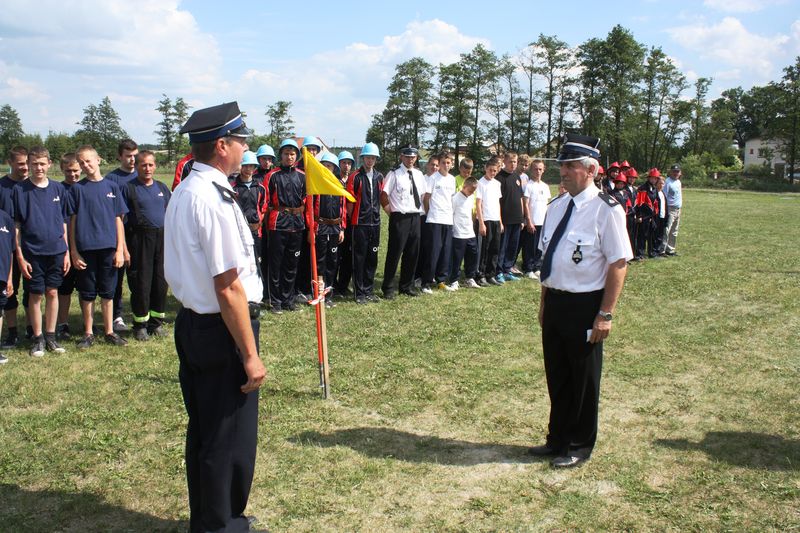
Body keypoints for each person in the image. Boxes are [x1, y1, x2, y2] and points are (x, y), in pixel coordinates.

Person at [164, 101, 267, 533]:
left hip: (196, 324)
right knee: (229, 439)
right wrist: (250, 354)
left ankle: (212, 518)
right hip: (221, 329)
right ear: (222, 145)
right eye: (241, 140)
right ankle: (222, 524)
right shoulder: (209, 197)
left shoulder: (189, 190)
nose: (246, 147)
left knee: (207, 433)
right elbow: (228, 287)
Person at [529, 133, 632, 468]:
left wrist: (606, 314)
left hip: (586, 306)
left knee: (583, 380)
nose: (565, 171)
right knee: (557, 375)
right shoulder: (556, 207)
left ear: (592, 170)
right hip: (556, 302)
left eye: (571, 166)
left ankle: (579, 444)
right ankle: (556, 438)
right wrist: (545, 302)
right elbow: (550, 259)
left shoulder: (607, 210)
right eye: (563, 165)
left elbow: (618, 263)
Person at [67, 145, 129, 348]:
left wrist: (120, 249)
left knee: (108, 292)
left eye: (88, 161)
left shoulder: (112, 187)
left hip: (108, 248)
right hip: (85, 249)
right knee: (87, 292)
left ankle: (109, 331)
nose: (86, 165)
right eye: (82, 162)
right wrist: (74, 251)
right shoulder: (77, 189)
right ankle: (88, 332)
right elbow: (72, 222)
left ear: (98, 160)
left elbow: (118, 220)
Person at [14, 146, 69, 357]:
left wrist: (65, 252)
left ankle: (51, 336)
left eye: (42, 163)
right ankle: (37, 339)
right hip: (32, 252)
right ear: (29, 164)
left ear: (49, 164)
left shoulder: (58, 189)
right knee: (36, 295)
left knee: (53, 292)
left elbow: (63, 222)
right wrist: (20, 255)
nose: (38, 167)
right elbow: (17, 226)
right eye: (34, 164)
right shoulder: (20, 191)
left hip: (56, 250)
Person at [121, 151, 171, 341]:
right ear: (136, 166)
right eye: (143, 165)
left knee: (160, 282)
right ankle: (140, 325)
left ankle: (156, 323)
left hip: (161, 238)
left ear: (155, 166)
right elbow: (120, 219)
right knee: (141, 283)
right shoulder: (129, 188)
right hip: (140, 239)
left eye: (150, 165)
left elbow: (170, 212)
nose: (147, 168)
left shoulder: (161, 187)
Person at [380, 145, 427, 299]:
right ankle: (388, 288)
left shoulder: (419, 175)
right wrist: (391, 213)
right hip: (400, 217)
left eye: (413, 157)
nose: (410, 159)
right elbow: (384, 195)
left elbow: (423, 196)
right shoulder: (394, 174)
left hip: (415, 217)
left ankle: (406, 286)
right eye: (407, 157)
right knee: (395, 253)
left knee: (412, 254)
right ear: (401, 157)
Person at [265, 139, 306, 314]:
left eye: (292, 154)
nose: (289, 157)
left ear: (296, 156)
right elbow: (265, 200)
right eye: (286, 154)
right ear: (280, 155)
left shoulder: (302, 176)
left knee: (292, 263)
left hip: (297, 224)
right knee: (276, 264)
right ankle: (275, 301)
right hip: (278, 224)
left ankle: (288, 299)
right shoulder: (272, 175)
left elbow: (306, 199)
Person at [105, 139, 139, 334]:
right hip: (116, 235)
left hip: (137, 236)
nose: (132, 160)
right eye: (128, 156)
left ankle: (138, 312)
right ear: (119, 156)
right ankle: (116, 315)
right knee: (116, 278)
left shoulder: (141, 175)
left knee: (136, 277)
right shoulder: (111, 180)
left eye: (135, 155)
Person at [0, 146, 29, 349]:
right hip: (7, 246)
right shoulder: (2, 187)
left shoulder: (33, 186)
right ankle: (11, 332)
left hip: (31, 245)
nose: (25, 167)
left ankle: (31, 327)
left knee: (33, 290)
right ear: (10, 163)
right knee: (9, 290)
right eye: (20, 163)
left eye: (27, 162)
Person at [346, 143, 383, 304]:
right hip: (359, 223)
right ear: (363, 158)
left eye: (373, 158)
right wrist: (352, 218)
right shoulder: (355, 177)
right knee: (359, 258)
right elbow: (349, 202)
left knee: (372, 257)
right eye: (367, 157)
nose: (370, 161)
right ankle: (359, 292)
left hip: (375, 223)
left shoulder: (379, 177)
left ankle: (368, 290)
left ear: (376, 159)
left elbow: (381, 197)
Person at [309, 152, 346, 308]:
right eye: (323, 166)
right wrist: (312, 228)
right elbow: (309, 209)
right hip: (321, 227)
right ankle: (317, 293)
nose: (326, 168)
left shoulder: (339, 184)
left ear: (334, 168)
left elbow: (343, 208)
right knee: (319, 261)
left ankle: (329, 294)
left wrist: (342, 228)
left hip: (335, 227)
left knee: (332, 261)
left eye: (329, 166)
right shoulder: (315, 184)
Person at [421, 151, 456, 293]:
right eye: (443, 163)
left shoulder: (452, 179)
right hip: (434, 219)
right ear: (439, 163)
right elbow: (426, 198)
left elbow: (451, 199)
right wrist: (430, 213)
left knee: (445, 252)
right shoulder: (433, 178)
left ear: (452, 164)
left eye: (449, 163)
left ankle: (441, 280)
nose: (446, 165)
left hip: (448, 220)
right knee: (433, 252)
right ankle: (426, 283)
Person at [56, 153, 81, 340]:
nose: (72, 174)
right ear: (62, 170)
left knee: (84, 287)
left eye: (75, 170)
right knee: (64, 288)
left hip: (84, 245)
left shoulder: (84, 188)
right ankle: (62, 324)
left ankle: (85, 322)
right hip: (63, 246)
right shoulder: (58, 190)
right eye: (68, 171)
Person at [447, 176, 481, 291]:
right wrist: (452, 230)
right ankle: (454, 280)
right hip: (458, 234)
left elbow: (471, 213)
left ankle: (469, 278)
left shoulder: (471, 198)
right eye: (471, 190)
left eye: (474, 191)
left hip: (470, 233)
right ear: (464, 186)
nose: (472, 193)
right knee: (457, 258)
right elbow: (451, 214)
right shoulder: (455, 198)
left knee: (472, 255)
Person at [475, 157, 504, 287]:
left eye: (495, 171)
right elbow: (478, 204)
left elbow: (498, 203)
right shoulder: (480, 183)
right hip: (485, 220)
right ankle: (480, 275)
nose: (493, 173)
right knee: (484, 249)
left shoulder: (497, 183)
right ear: (486, 168)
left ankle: (490, 274)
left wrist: (501, 221)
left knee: (495, 248)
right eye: (491, 170)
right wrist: (481, 223)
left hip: (495, 220)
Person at [496, 152, 524, 281]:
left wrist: (522, 218)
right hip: (505, 218)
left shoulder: (517, 177)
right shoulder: (499, 177)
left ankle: (508, 269)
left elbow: (520, 198)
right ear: (505, 162)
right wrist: (500, 220)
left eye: (515, 162)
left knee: (513, 246)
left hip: (517, 218)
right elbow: (497, 201)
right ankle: (499, 271)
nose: (513, 164)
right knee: (503, 246)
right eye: (511, 161)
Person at [521, 159, 551, 279]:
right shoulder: (528, 186)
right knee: (530, 246)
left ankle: (537, 267)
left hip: (542, 221)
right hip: (532, 221)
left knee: (539, 246)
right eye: (535, 169)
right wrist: (529, 220)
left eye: (540, 169)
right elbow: (526, 204)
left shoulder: (545, 186)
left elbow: (547, 204)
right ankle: (528, 268)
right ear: (531, 170)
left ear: (543, 170)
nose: (538, 171)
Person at [333, 151, 356, 298]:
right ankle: (333, 285)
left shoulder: (354, 179)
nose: (346, 166)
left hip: (352, 222)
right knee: (336, 255)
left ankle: (343, 285)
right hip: (338, 222)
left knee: (349, 255)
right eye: (343, 163)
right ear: (339, 164)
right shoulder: (333, 180)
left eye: (349, 163)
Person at [633, 168, 660, 260]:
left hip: (651, 216)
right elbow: (639, 204)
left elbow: (655, 201)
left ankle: (651, 252)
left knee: (651, 234)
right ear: (648, 178)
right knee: (642, 235)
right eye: (652, 178)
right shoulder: (643, 189)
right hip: (644, 216)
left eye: (655, 178)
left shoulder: (655, 189)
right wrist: (640, 216)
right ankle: (640, 253)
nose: (653, 180)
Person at [662, 164, 682, 256]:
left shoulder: (678, 182)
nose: (676, 173)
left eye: (677, 171)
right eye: (674, 171)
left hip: (678, 209)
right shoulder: (667, 182)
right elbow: (664, 196)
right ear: (670, 172)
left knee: (674, 230)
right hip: (670, 209)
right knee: (667, 230)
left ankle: (670, 250)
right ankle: (662, 250)